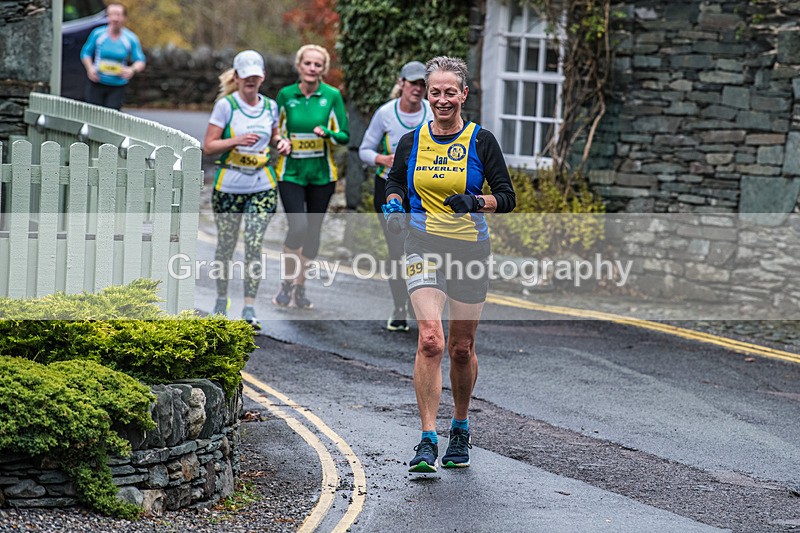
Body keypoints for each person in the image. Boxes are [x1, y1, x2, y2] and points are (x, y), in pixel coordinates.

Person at [383, 56, 516, 472]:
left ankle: (460, 426)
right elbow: (396, 182)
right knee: (430, 340)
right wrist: (393, 203)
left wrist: (476, 201)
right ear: (426, 93)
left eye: (448, 92)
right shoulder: (411, 140)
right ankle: (427, 439)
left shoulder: (481, 140)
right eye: (434, 92)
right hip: (422, 245)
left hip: (470, 252)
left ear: (463, 94)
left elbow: (508, 198)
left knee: (461, 348)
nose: (441, 100)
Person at [203, 50, 292, 330]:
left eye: (257, 76)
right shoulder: (226, 106)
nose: (252, 81)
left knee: (254, 243)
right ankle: (220, 300)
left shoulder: (270, 106)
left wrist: (281, 143)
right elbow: (208, 145)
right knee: (226, 245)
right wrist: (237, 140)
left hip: (261, 184)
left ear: (262, 76)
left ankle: (250, 308)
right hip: (229, 184)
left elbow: (275, 135)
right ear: (237, 77)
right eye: (247, 76)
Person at [272, 44, 349, 309]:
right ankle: (286, 282)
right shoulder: (285, 95)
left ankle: (301, 287)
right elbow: (276, 131)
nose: (312, 69)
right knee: (298, 228)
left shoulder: (332, 96)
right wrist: (281, 142)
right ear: (299, 66)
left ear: (323, 70)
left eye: (318, 65)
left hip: (321, 175)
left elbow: (344, 135)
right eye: (308, 63)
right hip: (290, 172)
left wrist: (328, 133)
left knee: (313, 232)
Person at [359, 61, 432, 332]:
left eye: (423, 85)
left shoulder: (431, 113)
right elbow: (364, 150)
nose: (417, 89)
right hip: (390, 190)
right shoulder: (385, 114)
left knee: (423, 249)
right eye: (413, 83)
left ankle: (421, 305)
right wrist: (383, 158)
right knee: (397, 249)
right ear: (401, 83)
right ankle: (399, 306)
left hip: (423, 193)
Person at [80, 2, 145, 110]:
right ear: (107, 17)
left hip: (118, 85)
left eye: (118, 15)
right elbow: (85, 53)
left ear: (124, 17)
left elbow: (140, 60)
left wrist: (131, 70)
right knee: (93, 116)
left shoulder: (130, 38)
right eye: (112, 14)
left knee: (111, 118)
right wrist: (90, 68)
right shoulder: (98, 34)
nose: (115, 18)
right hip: (97, 82)